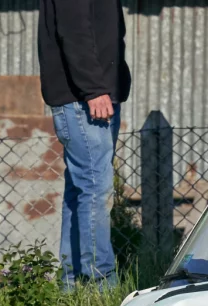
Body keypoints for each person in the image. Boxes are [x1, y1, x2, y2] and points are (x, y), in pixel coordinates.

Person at [37, 0, 131, 288]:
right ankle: (100, 283)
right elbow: (74, 30)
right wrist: (93, 89)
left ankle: (71, 283)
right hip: (83, 100)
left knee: (80, 190)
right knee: (94, 189)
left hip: (96, 96)